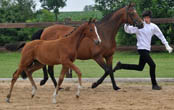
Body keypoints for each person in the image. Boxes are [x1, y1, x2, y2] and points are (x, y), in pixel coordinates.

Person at [113, 10, 173, 90]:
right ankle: (154, 85)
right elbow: (129, 30)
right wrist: (126, 25)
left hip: (147, 49)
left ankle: (121, 65)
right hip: (141, 49)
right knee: (152, 65)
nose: (146, 19)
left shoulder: (153, 27)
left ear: (150, 18)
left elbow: (161, 36)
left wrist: (167, 45)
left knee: (140, 67)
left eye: (147, 18)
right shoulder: (140, 26)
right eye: (144, 17)